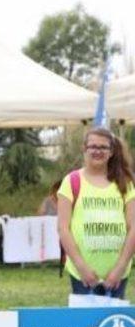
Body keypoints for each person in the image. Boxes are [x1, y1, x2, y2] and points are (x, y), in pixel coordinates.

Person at [58, 127, 135, 298]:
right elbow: (63, 228)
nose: (97, 151)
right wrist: (81, 267)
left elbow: (133, 228)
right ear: (84, 149)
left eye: (103, 147)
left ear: (112, 152)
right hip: (82, 274)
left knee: (111, 322)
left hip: (117, 274)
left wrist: (120, 268)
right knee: (84, 323)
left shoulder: (126, 183)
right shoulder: (71, 181)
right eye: (93, 146)